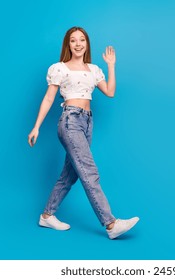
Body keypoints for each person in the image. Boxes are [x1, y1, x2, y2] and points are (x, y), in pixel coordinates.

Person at [28, 26, 139, 239]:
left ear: (87, 44)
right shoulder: (59, 68)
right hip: (70, 121)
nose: (78, 44)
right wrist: (36, 126)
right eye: (73, 40)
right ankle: (110, 224)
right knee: (89, 172)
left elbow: (110, 92)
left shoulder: (94, 69)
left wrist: (111, 66)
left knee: (69, 175)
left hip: (87, 122)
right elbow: (49, 98)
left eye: (82, 40)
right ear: (67, 45)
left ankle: (47, 215)